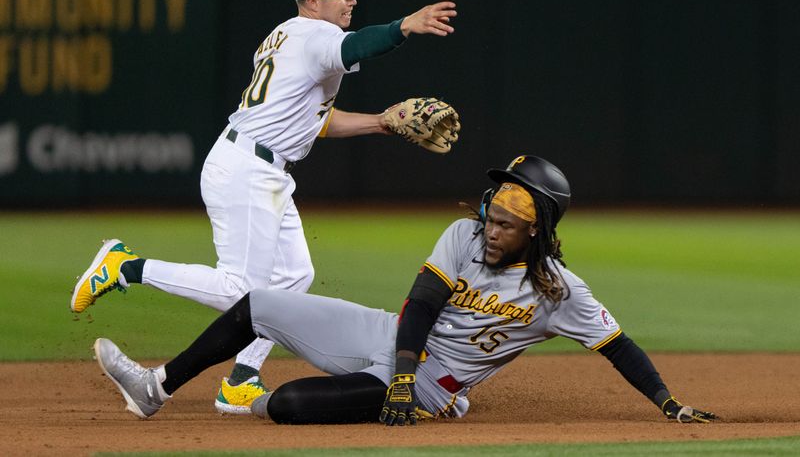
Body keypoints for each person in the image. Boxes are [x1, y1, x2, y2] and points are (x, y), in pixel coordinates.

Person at [69, 0, 458, 415]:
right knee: (243, 289)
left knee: (294, 276)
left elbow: (311, 121)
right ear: (313, 1)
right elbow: (356, 47)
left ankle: (241, 377)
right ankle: (126, 266)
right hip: (247, 170)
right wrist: (405, 26)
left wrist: (381, 122)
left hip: (260, 166)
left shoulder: (286, 36)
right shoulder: (318, 34)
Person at [91, 155, 716, 425]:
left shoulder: (559, 293)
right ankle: (155, 389)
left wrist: (668, 404)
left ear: (538, 228)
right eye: (491, 214)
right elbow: (420, 304)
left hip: (436, 384)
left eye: (505, 223)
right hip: (395, 344)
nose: (490, 228)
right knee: (257, 305)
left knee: (286, 408)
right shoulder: (463, 236)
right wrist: (396, 375)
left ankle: (284, 402)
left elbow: (618, 346)